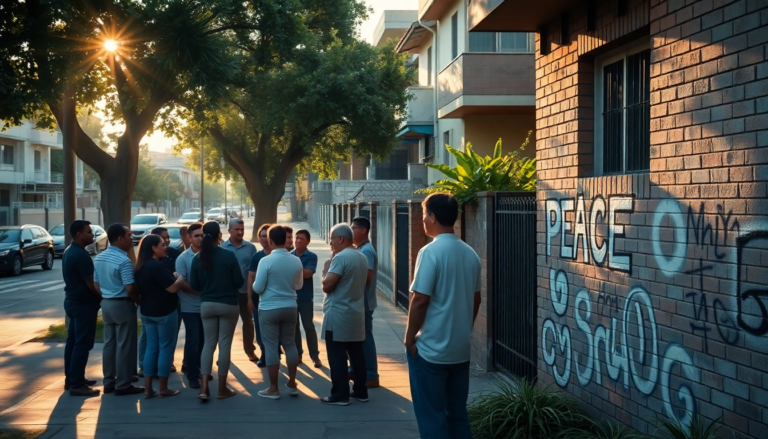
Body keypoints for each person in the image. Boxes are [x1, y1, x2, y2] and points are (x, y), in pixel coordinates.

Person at [405, 193, 482, 439]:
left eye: (424, 214)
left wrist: (409, 339)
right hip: (460, 350)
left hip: (431, 351)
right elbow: (476, 298)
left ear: (433, 217)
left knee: (432, 418)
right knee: (458, 415)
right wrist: (463, 330)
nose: (423, 220)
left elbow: (420, 299)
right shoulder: (470, 254)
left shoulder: (430, 252)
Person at [190, 221, 244, 400]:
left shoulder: (197, 258)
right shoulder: (228, 255)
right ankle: (222, 388)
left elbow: (194, 285)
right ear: (219, 235)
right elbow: (239, 282)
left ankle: (204, 388)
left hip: (206, 305)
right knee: (225, 344)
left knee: (208, 344)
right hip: (228, 304)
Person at [251, 225, 303, 400]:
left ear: (271, 241)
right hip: (290, 306)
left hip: (269, 308)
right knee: (290, 344)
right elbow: (299, 285)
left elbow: (257, 288)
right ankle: (293, 383)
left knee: (271, 346)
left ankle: (274, 388)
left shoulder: (265, 261)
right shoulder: (296, 260)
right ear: (286, 240)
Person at [320, 223, 369, 406]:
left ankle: (340, 394)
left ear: (340, 239)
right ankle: (360, 391)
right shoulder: (361, 256)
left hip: (338, 314)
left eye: (332, 239)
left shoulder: (340, 258)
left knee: (337, 356)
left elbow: (327, 285)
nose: (331, 243)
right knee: (357, 355)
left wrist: (325, 271)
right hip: (356, 313)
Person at [95, 223, 143, 396]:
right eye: (129, 235)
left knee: (110, 343)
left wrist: (106, 296)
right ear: (120, 239)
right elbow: (130, 288)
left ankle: (109, 381)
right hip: (122, 303)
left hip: (106, 303)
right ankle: (123, 384)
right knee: (124, 344)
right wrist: (138, 301)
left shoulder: (99, 257)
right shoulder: (124, 260)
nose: (132, 238)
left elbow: (96, 283)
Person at [135, 234, 185, 399]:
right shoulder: (156, 266)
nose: (166, 247)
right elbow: (172, 288)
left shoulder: (140, 266)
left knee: (151, 347)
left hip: (148, 311)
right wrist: (179, 278)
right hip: (164, 312)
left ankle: (148, 389)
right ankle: (163, 388)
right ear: (153, 248)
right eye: (162, 244)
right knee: (165, 348)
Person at [62, 220, 101, 396]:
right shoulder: (80, 255)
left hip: (73, 302)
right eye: (89, 232)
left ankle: (72, 379)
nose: (92, 235)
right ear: (79, 234)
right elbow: (91, 283)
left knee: (73, 342)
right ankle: (77, 384)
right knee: (82, 344)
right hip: (83, 304)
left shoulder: (70, 251)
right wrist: (104, 296)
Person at [221, 218, 258, 362]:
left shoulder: (250, 248)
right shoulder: (223, 248)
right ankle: (224, 355)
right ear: (229, 230)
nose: (240, 232)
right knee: (226, 326)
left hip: (246, 293)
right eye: (236, 229)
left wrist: (251, 295)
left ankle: (250, 351)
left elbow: (254, 270)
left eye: (242, 229)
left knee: (248, 322)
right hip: (228, 294)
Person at [175, 222, 205, 388]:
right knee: (193, 340)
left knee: (204, 340)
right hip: (190, 307)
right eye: (196, 236)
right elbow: (182, 282)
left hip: (208, 306)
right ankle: (192, 374)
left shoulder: (209, 254)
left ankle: (199, 369)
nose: (200, 238)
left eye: (202, 235)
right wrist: (200, 292)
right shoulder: (182, 258)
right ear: (189, 238)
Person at [349, 216, 379, 388]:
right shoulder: (360, 249)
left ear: (363, 230)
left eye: (354, 228)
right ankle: (354, 368)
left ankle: (372, 375)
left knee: (366, 339)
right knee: (357, 338)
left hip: (364, 302)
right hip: (360, 302)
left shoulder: (366, 250)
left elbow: (366, 278)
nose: (351, 230)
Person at [291, 230, 321, 368]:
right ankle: (298, 354)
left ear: (308, 241)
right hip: (291, 297)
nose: (298, 241)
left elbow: (308, 273)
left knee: (308, 326)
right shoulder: (289, 255)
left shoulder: (311, 256)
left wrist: (295, 265)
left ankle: (314, 355)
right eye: (296, 238)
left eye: (301, 239)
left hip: (305, 297)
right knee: (294, 327)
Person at [246, 223, 271, 367]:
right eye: (261, 236)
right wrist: (249, 298)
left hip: (275, 300)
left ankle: (275, 352)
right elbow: (251, 278)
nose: (264, 239)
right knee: (260, 329)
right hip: (258, 299)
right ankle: (264, 354)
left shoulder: (279, 255)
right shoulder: (257, 256)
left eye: (267, 236)